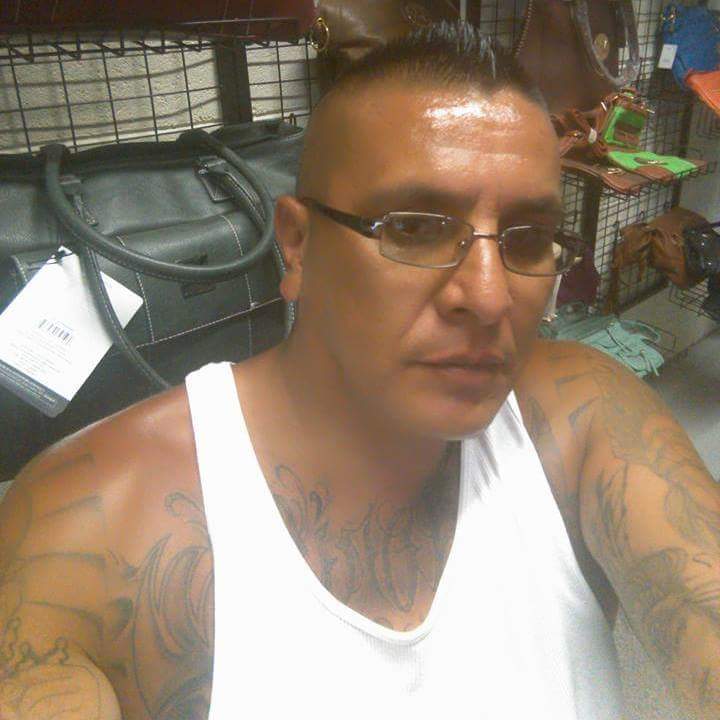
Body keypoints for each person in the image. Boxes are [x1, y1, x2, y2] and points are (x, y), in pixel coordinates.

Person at [1, 21, 718, 720]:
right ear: (298, 245)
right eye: (414, 228)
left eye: (528, 239)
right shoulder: (95, 529)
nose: (490, 296)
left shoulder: (585, 420)